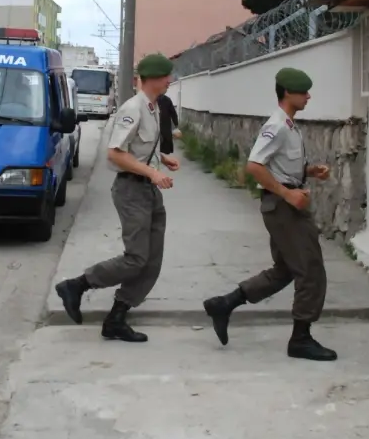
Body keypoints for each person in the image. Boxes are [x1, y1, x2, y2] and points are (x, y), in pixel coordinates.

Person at [201, 67, 338, 361]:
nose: (308, 96)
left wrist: (309, 171)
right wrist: (288, 193)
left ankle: (225, 304)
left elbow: (279, 166)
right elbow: (254, 166)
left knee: (286, 270)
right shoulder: (276, 126)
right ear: (288, 93)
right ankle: (300, 339)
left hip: (286, 205)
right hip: (284, 208)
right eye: (303, 92)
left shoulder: (290, 126)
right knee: (311, 270)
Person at [55, 53, 181, 343]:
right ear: (152, 78)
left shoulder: (153, 107)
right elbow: (115, 153)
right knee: (136, 258)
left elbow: (138, 148)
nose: (170, 80)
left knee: (151, 261)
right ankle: (77, 285)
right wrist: (152, 172)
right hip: (131, 190)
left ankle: (116, 318)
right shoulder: (132, 109)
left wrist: (162, 159)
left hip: (147, 190)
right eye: (166, 76)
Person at [156, 91, 181, 156]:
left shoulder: (167, 100)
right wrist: (176, 125)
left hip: (164, 125)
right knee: (160, 144)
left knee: (162, 144)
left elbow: (173, 113)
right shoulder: (154, 100)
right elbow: (173, 113)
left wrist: (176, 125)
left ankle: (162, 156)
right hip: (161, 126)